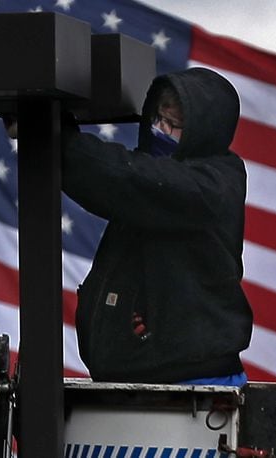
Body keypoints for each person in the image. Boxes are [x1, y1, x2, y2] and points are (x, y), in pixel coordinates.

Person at [60, 67, 253, 385]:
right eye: (158, 120)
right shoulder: (151, 180)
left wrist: (60, 141)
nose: (161, 130)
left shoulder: (209, 185)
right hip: (140, 383)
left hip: (192, 386)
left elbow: (122, 177)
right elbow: (114, 178)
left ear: (202, 133)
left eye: (175, 126)